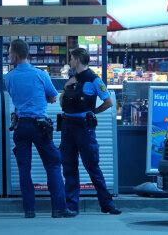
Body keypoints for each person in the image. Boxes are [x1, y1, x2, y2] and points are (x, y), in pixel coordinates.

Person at [5, 39, 77, 218]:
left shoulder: (9, 77)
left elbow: (15, 96)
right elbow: (53, 97)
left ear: (15, 54)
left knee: (24, 168)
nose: (8, 56)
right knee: (53, 164)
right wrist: (41, 99)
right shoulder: (41, 75)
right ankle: (59, 209)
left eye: (9, 52)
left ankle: (29, 210)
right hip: (40, 126)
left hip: (21, 126)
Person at [60, 48, 121, 215]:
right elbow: (61, 104)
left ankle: (107, 204)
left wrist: (92, 113)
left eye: (71, 59)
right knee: (69, 166)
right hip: (67, 125)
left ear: (78, 59)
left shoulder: (94, 80)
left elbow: (108, 102)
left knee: (92, 166)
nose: (70, 62)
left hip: (83, 128)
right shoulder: (71, 79)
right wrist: (65, 87)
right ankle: (71, 206)